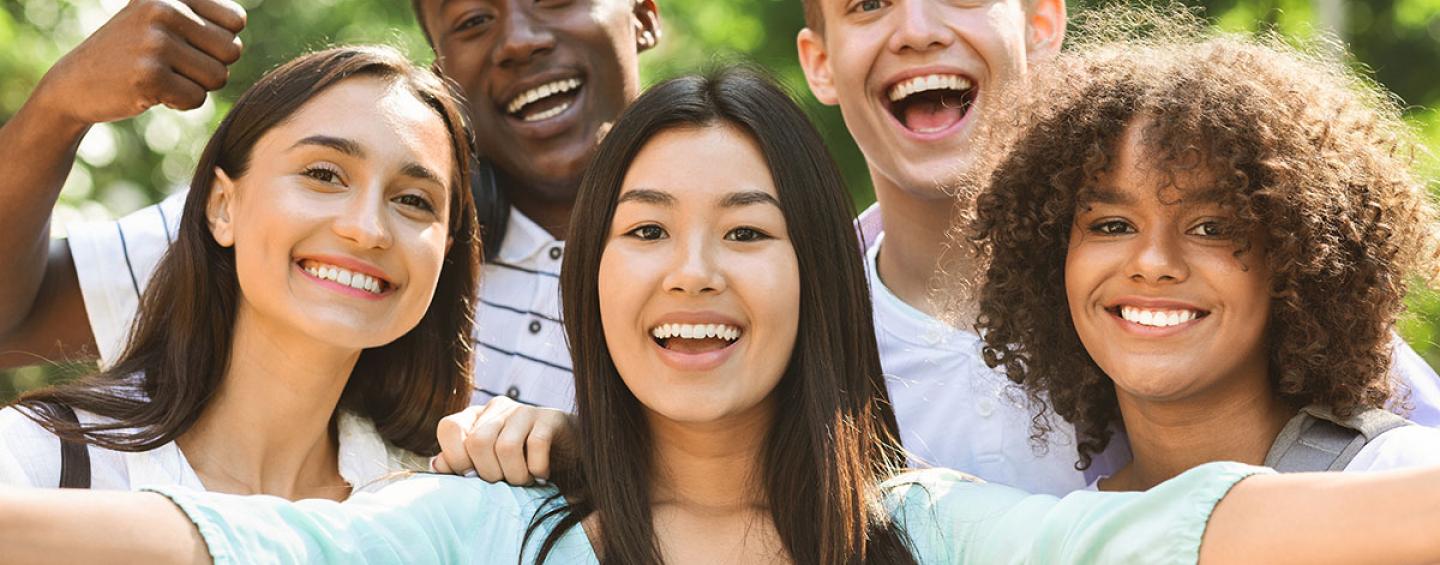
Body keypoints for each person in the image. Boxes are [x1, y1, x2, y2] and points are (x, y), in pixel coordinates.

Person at [8, 67, 1440, 565]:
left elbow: (1257, 526)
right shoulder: (473, 527)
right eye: (645, 231)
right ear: (593, 286)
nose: (692, 271)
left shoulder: (938, 528)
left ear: (816, 278)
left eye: (747, 231)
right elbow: (191, 538)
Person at [792, 0, 1440, 495]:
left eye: (1211, 227)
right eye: (869, 2)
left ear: (1041, 20)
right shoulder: (789, 333)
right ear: (819, 62)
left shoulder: (1376, 454)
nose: (917, 29)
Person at [970, 28, 1440, 490]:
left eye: (1212, 229)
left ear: (1299, 263)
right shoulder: (1060, 535)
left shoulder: (1403, 479)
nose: (1153, 263)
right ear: (1054, 263)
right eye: (1112, 225)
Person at [0, 45, 480, 498]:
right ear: (222, 206)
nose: (367, 228)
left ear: (445, 251)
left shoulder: (440, 507)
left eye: (414, 201)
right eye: (323, 174)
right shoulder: (37, 462)